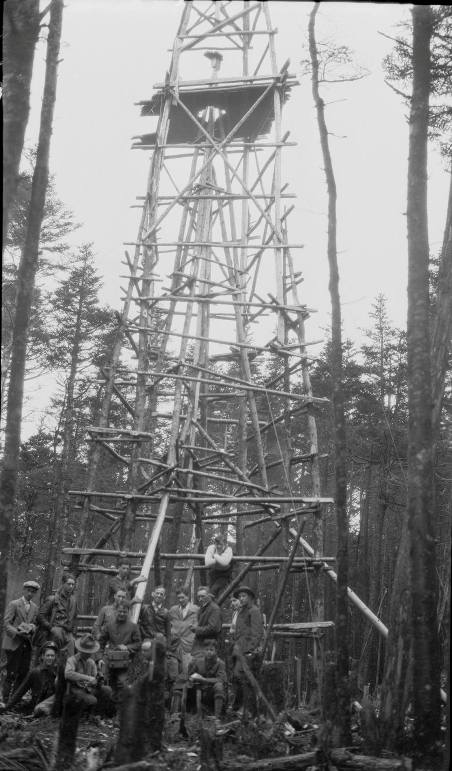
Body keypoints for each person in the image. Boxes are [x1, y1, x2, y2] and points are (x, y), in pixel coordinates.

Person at [2, 580, 40, 701]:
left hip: (26, 644)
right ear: (23, 590)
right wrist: (17, 632)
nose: (30, 593)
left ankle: (14, 699)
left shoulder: (34, 607)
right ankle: (5, 699)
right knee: (10, 673)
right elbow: (6, 624)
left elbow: (34, 623)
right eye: (28, 591)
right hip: (14, 643)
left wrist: (32, 628)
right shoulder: (14, 604)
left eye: (33, 592)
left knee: (23, 673)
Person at [231, 585, 263, 715]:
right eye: (240, 596)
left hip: (247, 652)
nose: (241, 598)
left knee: (243, 677)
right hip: (238, 649)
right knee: (237, 677)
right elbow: (238, 632)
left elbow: (257, 633)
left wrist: (250, 650)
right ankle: (239, 707)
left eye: (244, 596)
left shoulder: (254, 611)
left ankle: (248, 709)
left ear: (250, 597)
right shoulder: (241, 611)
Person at [99, 603, 141, 700]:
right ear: (116, 612)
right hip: (110, 660)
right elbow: (101, 642)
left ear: (128, 612)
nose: (122, 614)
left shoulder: (133, 627)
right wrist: (100, 658)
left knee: (123, 684)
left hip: (125, 662)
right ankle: (108, 709)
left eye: (124, 612)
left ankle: (121, 709)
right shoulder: (109, 625)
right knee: (105, 683)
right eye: (120, 611)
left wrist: (127, 647)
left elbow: (138, 644)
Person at [6, 642, 58, 716]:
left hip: (52, 705)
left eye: (52, 656)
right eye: (48, 655)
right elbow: (20, 692)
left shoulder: (57, 672)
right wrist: (7, 707)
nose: (50, 658)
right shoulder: (35, 672)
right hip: (38, 707)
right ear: (42, 656)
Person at [65, 633, 113, 713]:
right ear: (80, 650)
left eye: (90, 652)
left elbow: (94, 679)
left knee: (107, 690)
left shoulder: (91, 662)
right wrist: (88, 678)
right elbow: (68, 674)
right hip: (75, 690)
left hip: (88, 689)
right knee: (92, 700)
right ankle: (85, 714)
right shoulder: (72, 660)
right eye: (86, 652)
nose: (89, 654)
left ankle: (98, 714)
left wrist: (99, 680)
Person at [37, 573, 78, 655]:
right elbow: (40, 616)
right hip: (53, 632)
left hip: (67, 633)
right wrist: (51, 628)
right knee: (52, 657)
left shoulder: (73, 601)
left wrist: (72, 630)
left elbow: (74, 618)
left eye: (73, 584)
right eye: (69, 584)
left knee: (71, 655)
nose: (71, 586)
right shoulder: (53, 599)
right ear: (63, 584)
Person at [187, 640, 226, 720]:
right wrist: (192, 678)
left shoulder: (220, 664)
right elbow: (190, 675)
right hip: (199, 690)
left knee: (219, 686)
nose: (209, 652)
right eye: (206, 650)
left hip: (212, 693)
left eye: (211, 650)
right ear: (203, 651)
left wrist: (203, 679)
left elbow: (220, 679)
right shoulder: (198, 661)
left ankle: (217, 717)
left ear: (216, 651)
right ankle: (188, 711)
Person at [167, 587, 199, 683]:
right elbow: (168, 624)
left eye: (182, 597)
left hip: (189, 644)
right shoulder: (173, 610)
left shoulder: (196, 609)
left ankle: (187, 695)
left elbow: (199, 625)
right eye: (179, 598)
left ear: (188, 597)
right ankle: (175, 693)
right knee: (174, 674)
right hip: (175, 645)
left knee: (187, 672)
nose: (180, 600)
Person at [191, 586, 222, 655]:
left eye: (203, 596)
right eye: (198, 597)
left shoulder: (214, 609)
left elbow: (213, 628)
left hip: (209, 645)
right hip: (200, 644)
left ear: (209, 596)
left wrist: (196, 629)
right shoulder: (202, 608)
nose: (200, 599)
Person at [204, 534, 233, 598]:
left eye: (221, 544)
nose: (219, 546)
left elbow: (224, 562)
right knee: (209, 591)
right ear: (214, 543)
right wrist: (219, 559)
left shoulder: (228, 549)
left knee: (215, 591)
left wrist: (215, 556)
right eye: (217, 544)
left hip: (224, 575)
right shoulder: (211, 548)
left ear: (225, 544)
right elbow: (207, 562)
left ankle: (218, 606)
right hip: (213, 573)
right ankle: (211, 606)